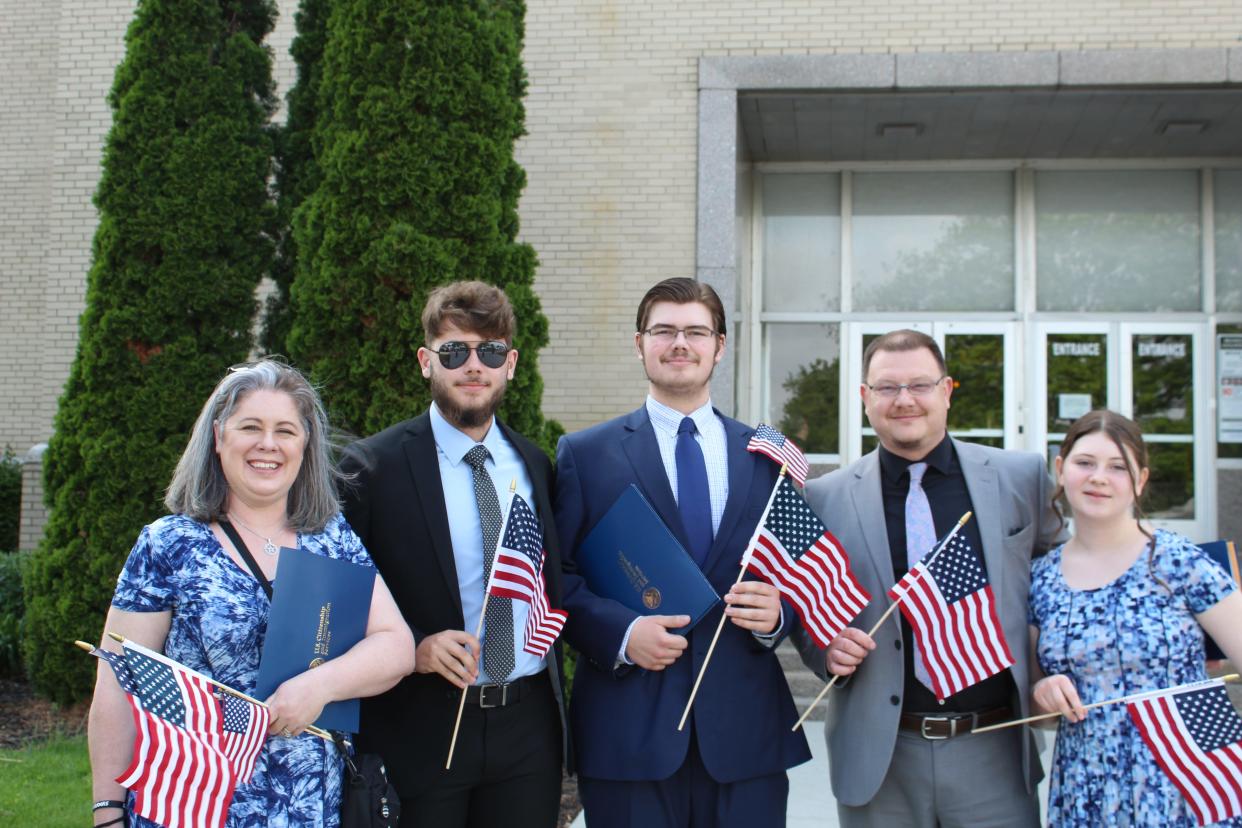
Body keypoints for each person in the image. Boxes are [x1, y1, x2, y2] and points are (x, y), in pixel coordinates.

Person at [88, 359, 415, 828]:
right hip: (193, 804)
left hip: (307, 807)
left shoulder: (330, 538)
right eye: (250, 427)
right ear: (219, 437)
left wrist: (318, 687)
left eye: (285, 430)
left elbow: (396, 646)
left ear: (305, 444)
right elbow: (117, 683)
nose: (268, 444)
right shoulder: (169, 545)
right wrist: (107, 812)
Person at [555, 277, 810, 828]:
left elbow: (799, 575)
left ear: (720, 346)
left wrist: (778, 614)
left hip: (746, 737)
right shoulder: (585, 454)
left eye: (696, 331)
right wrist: (621, 635)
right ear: (639, 342)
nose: (679, 343)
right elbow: (558, 579)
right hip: (629, 734)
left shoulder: (767, 456)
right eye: (663, 330)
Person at [795, 329, 1064, 828]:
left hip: (996, 751)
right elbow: (806, 606)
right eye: (886, 388)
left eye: (920, 385)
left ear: (946, 390)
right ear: (864, 398)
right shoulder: (824, 498)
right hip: (881, 756)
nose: (904, 401)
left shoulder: (1019, 477)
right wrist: (824, 649)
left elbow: (1064, 579)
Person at [340, 280, 568, 827]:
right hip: (421, 724)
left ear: (510, 363)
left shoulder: (535, 465)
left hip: (527, 725)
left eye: (489, 351)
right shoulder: (371, 468)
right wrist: (413, 647)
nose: (473, 365)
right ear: (426, 362)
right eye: (454, 351)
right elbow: (339, 603)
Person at [1029, 409, 1242, 826]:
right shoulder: (1041, 580)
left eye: (1118, 467)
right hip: (1087, 789)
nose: (1098, 477)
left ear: (1140, 480)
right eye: (1085, 463)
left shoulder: (1179, 562)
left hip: (1184, 782)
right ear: (1061, 468)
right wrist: (1043, 690)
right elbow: (1042, 713)